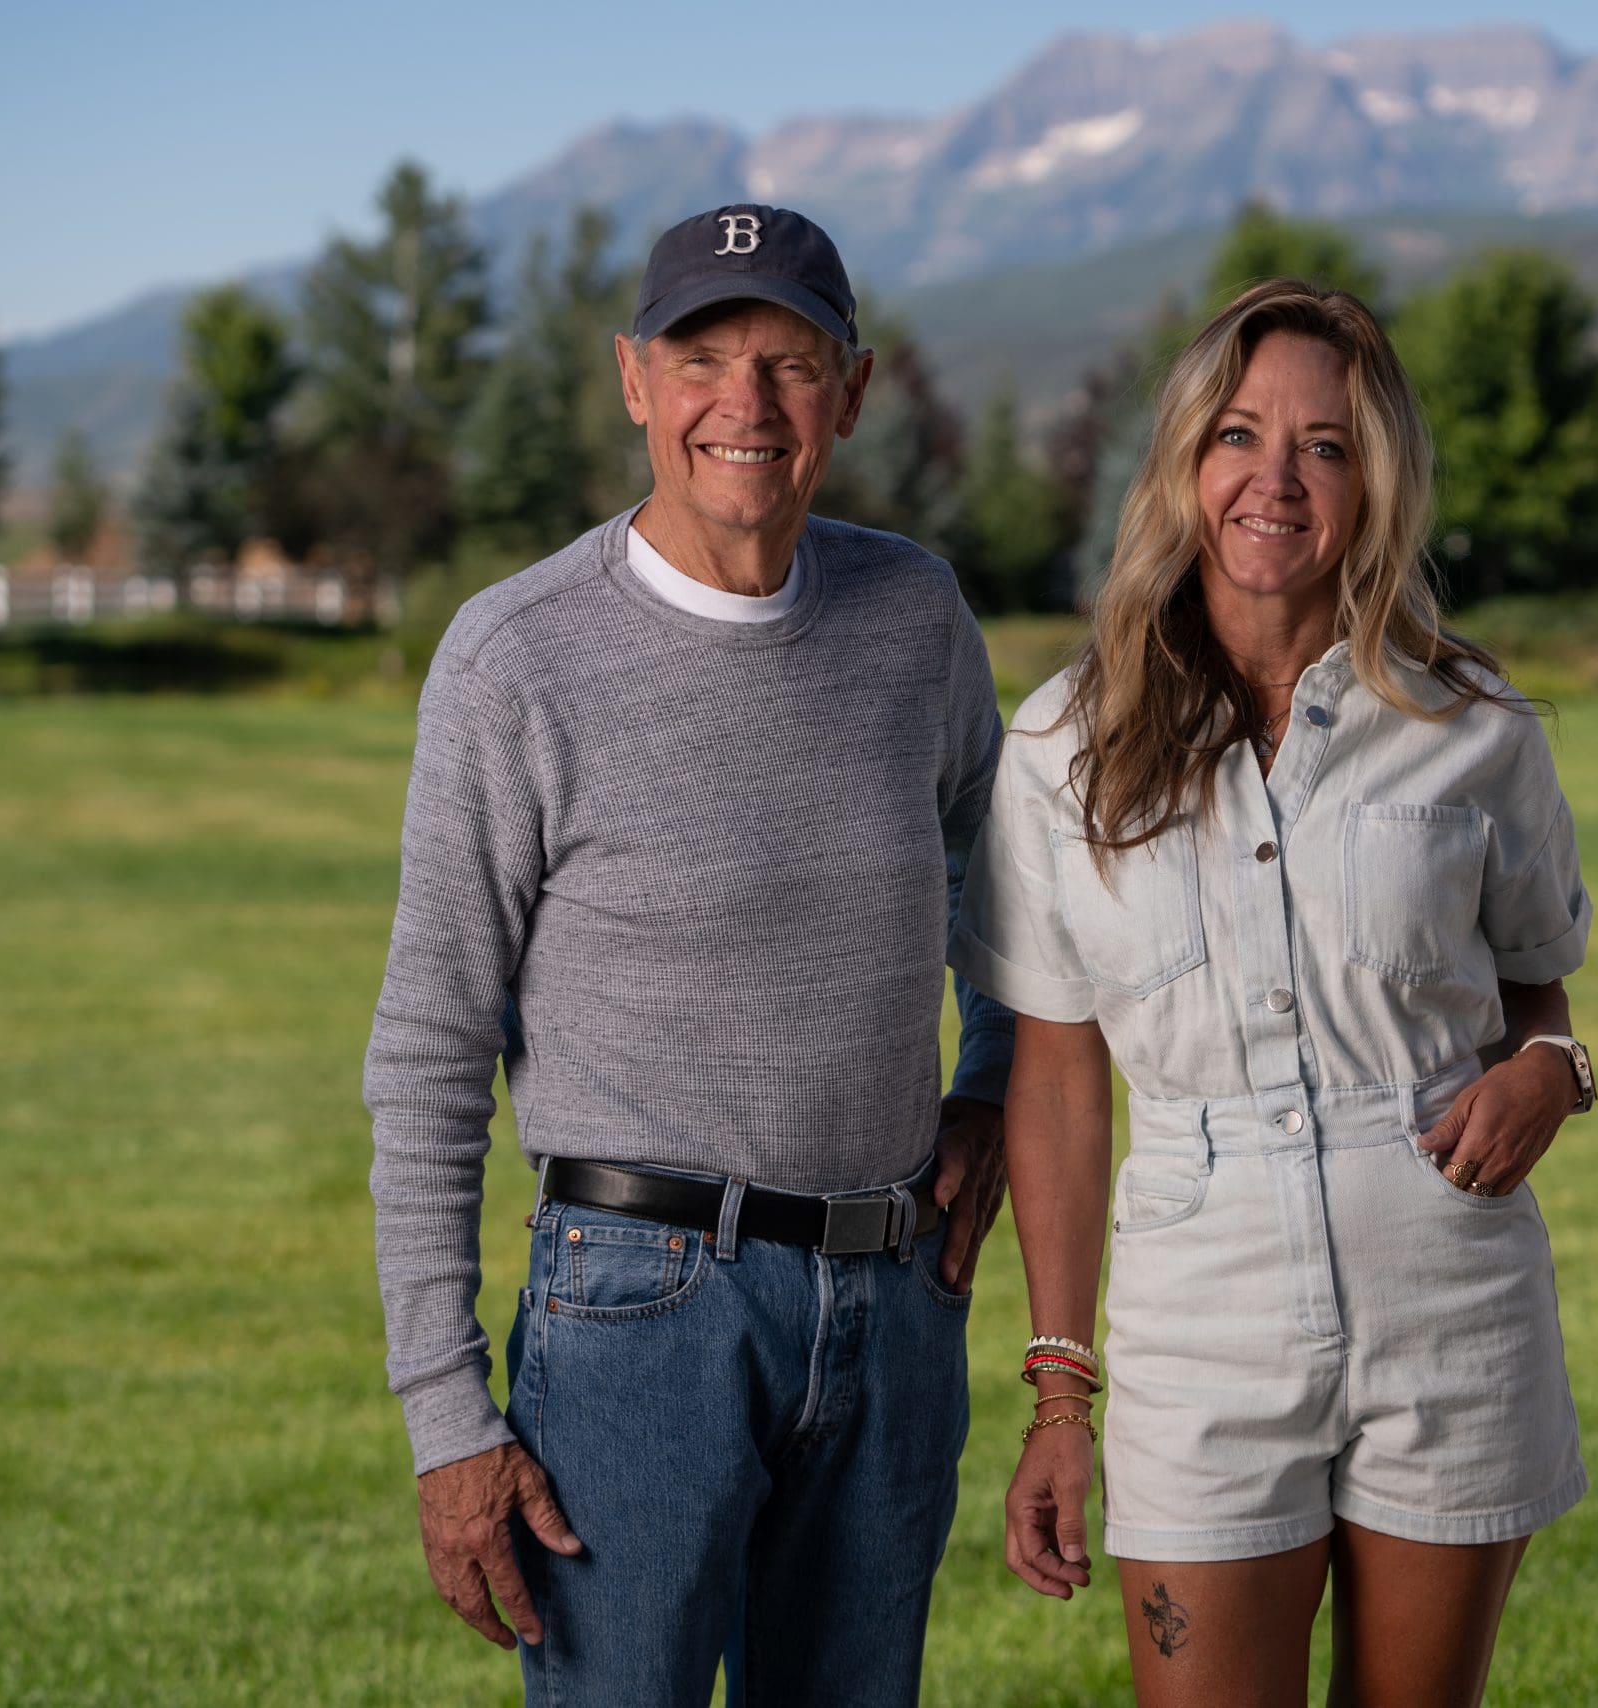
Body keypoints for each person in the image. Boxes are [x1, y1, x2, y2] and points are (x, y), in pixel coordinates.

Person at [363, 203, 1012, 1706]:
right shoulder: (515, 655)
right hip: (635, 1315)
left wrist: (986, 1076)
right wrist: (446, 1416)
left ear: (852, 393)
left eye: (790, 362)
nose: (747, 404)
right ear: (633, 381)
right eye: (702, 357)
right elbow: (431, 1049)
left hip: (891, 1293)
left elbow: (1015, 890)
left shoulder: (914, 615)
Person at [954, 279, 1598, 1708]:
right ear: (1185, 463)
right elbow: (1056, 1074)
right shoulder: (1065, 744)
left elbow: (1537, 1003)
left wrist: (1555, 1069)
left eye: (1326, 445)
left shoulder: (1474, 729)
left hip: (1448, 1288)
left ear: (1377, 482)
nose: (1276, 478)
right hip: (1201, 1309)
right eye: (1239, 434)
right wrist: (1063, 1391)